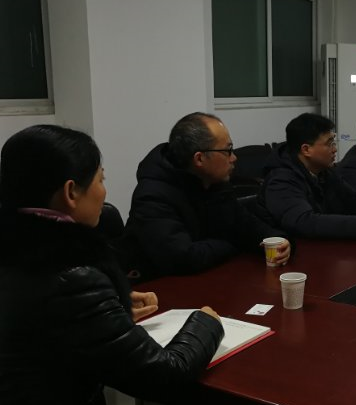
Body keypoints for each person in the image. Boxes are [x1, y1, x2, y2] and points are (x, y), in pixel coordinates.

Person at [0, 125, 224, 405]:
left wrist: (112, 309)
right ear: (71, 192)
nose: (104, 192)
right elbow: (164, 375)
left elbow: (37, 327)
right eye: (100, 179)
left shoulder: (0, 252)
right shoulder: (72, 276)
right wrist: (206, 322)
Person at [119, 112, 290, 280]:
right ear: (199, 159)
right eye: (228, 151)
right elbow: (183, 259)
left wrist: (282, 242)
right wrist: (235, 244)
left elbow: (247, 227)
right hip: (156, 288)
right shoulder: (152, 195)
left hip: (209, 278)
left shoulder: (214, 183)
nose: (234, 158)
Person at [260, 113, 356, 239]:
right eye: (329, 144)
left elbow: (353, 199)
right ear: (306, 149)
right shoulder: (281, 180)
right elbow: (305, 222)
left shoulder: (324, 171)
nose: (335, 149)